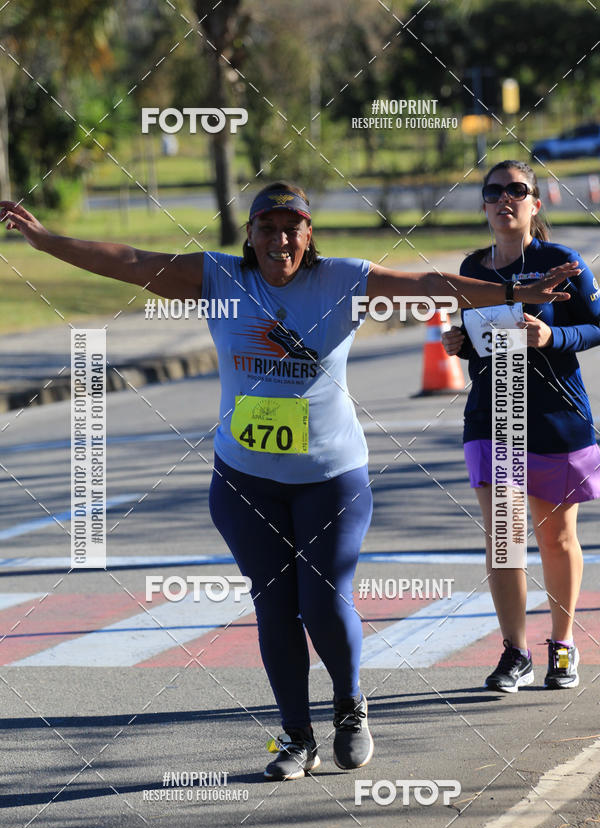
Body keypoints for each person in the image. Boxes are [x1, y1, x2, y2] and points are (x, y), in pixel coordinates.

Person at [0, 182, 578, 779]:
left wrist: (512, 291)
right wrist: (44, 242)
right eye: (267, 228)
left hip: (331, 477)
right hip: (245, 479)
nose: (280, 240)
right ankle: (296, 737)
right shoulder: (220, 280)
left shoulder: (342, 281)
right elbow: (131, 262)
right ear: (249, 236)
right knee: (273, 606)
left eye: (292, 228)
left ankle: (350, 705)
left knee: (323, 601)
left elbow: (429, 286)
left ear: (309, 235)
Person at [442, 160, 600, 694]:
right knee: (504, 541)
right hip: (495, 417)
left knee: (555, 539)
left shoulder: (563, 262)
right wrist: (458, 345)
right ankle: (515, 652)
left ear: (537, 203)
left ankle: (562, 646)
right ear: (484, 206)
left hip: (556, 419)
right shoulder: (472, 268)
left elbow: (598, 325)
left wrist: (552, 338)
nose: (505, 199)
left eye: (517, 190)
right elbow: (478, 346)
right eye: (494, 192)